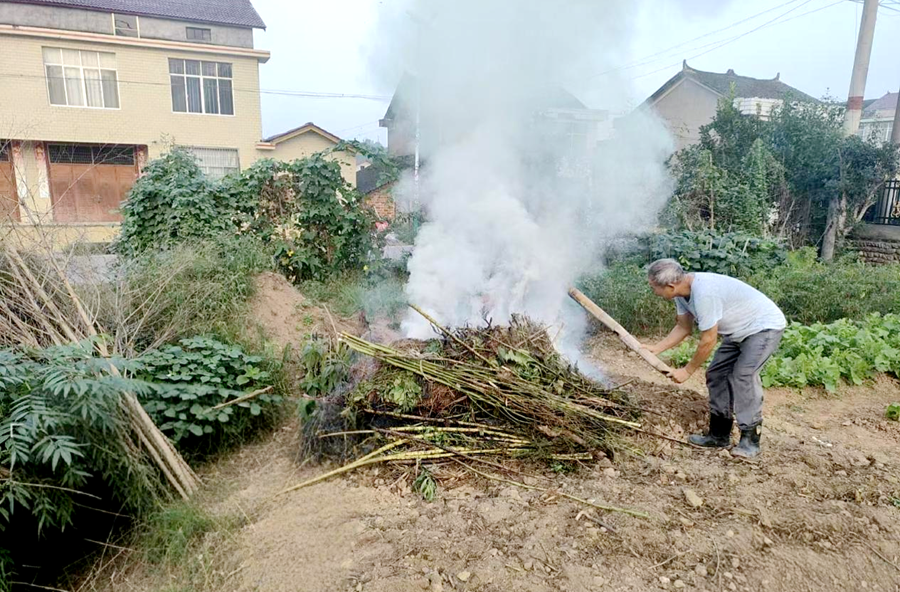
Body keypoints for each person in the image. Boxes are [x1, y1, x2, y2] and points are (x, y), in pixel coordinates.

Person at [644, 259, 786, 458]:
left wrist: (687, 370)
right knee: (716, 374)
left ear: (670, 286)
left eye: (654, 288)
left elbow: (708, 339)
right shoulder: (681, 293)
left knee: (743, 376)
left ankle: (750, 440)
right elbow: (684, 327)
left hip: (763, 327)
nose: (654, 292)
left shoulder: (704, 293)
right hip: (738, 332)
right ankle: (719, 435)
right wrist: (656, 348)